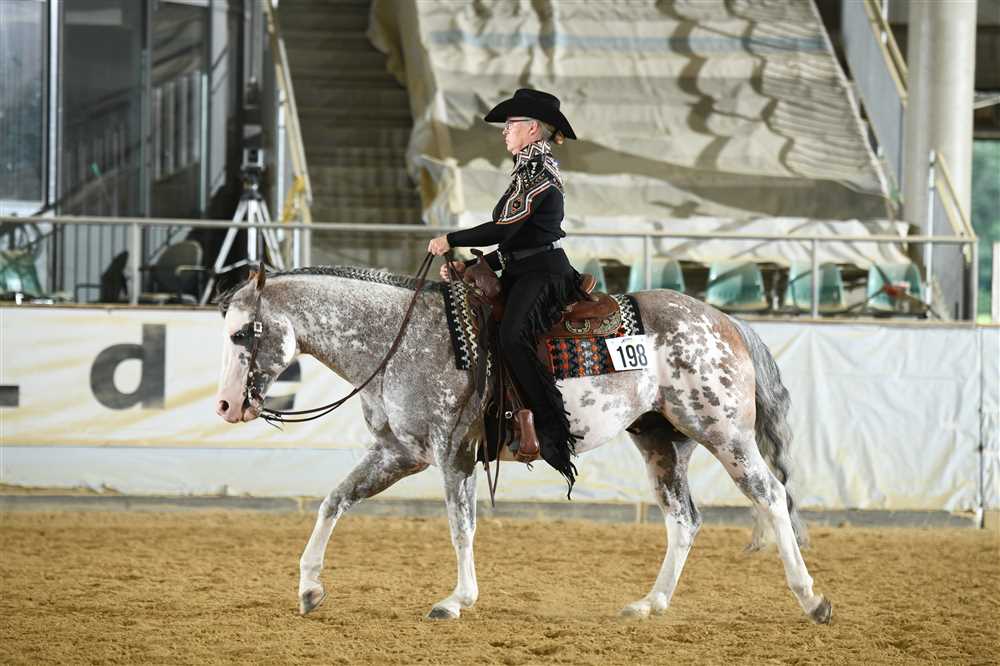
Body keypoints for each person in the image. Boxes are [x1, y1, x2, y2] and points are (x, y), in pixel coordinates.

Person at [427, 88, 584, 491]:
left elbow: (503, 229)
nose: (504, 132)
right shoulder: (527, 171)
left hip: (543, 274)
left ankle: (551, 428)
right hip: (524, 268)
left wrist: (452, 239)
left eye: (511, 124)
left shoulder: (538, 173)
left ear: (532, 129)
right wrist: (469, 266)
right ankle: (499, 419)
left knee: (513, 337)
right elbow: (517, 242)